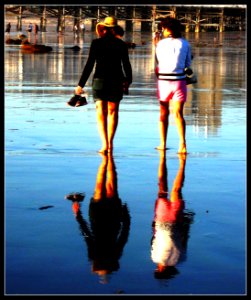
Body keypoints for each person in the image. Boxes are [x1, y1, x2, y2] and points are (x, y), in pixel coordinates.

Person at [65, 154, 131, 284]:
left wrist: (126, 216)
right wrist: (77, 216)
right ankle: (106, 158)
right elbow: (87, 235)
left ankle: (107, 158)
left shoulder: (104, 255)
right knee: (102, 188)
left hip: (107, 218)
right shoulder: (105, 255)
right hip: (106, 218)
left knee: (107, 188)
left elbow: (88, 235)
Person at [74, 16, 132, 154]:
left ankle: (105, 144)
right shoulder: (121, 44)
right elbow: (126, 65)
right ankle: (111, 143)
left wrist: (80, 84)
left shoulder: (96, 43)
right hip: (116, 80)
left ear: (103, 28)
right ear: (116, 29)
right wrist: (128, 81)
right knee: (113, 112)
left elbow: (89, 65)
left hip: (99, 80)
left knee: (101, 112)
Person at [151, 152, 194, 280]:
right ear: (160, 269)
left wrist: (187, 223)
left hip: (176, 222)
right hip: (161, 221)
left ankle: (182, 164)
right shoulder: (155, 258)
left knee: (176, 190)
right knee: (162, 190)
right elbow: (153, 238)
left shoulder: (181, 259)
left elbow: (185, 238)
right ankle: (162, 159)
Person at [155, 17, 192, 154]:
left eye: (163, 28)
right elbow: (188, 64)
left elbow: (158, 63)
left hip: (164, 81)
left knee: (164, 113)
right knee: (178, 114)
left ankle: (163, 143)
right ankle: (182, 144)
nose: (162, 30)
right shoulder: (185, 43)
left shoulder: (160, 44)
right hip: (179, 81)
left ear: (167, 29)